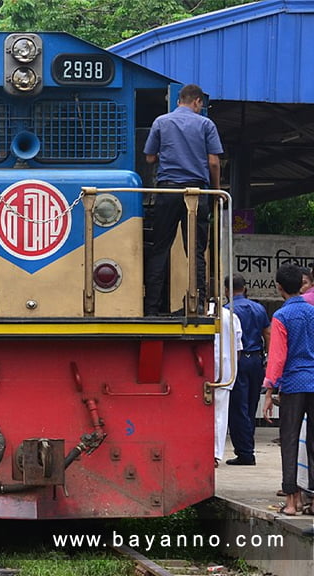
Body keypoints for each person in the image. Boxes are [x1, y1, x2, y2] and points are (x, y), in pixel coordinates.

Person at [143, 83, 224, 316]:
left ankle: (151, 307)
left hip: (168, 191)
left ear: (179, 100)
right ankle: (197, 303)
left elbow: (149, 158)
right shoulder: (206, 124)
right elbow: (213, 162)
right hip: (196, 193)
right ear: (197, 101)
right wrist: (216, 191)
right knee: (196, 250)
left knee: (160, 248)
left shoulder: (161, 122)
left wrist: (167, 154)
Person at [260, 264, 314, 516]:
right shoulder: (312, 312)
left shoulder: (282, 316)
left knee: (290, 441)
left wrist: (269, 390)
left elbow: (278, 357)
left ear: (279, 288)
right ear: (302, 286)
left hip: (293, 384)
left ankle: (292, 502)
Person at [223, 273, 271, 465]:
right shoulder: (258, 308)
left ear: (226, 290)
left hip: (238, 360)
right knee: (251, 405)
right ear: (245, 288)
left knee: (238, 407)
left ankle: (245, 452)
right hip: (256, 360)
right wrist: (268, 358)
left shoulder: (227, 311)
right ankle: (248, 446)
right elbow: (267, 333)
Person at [212, 300, 242, 467]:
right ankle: (215, 454)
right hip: (225, 371)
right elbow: (238, 348)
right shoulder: (231, 317)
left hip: (203, 368)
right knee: (220, 414)